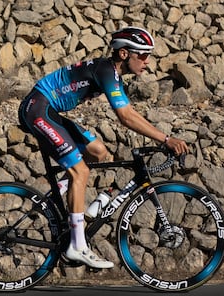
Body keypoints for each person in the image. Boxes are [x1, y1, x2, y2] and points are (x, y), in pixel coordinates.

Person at [18, 27, 189, 269]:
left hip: (47, 110)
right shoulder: (106, 71)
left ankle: (65, 190)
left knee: (98, 152)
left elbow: (128, 112)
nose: (147, 62)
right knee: (81, 172)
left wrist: (162, 137)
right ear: (123, 54)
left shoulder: (111, 72)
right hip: (38, 110)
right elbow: (126, 116)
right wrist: (165, 139)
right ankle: (77, 246)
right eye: (142, 55)